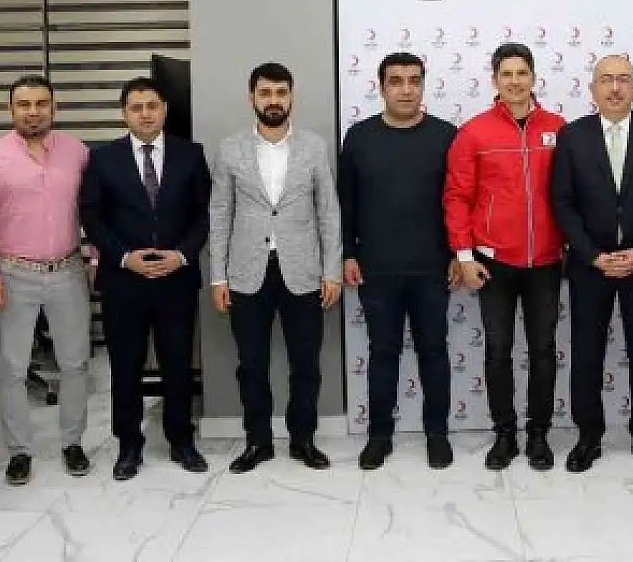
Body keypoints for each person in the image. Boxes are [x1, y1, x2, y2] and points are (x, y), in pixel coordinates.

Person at [550, 54, 633, 473]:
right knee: (586, 354)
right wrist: (593, 255)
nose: (614, 87)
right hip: (590, 267)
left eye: (623, 79)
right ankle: (588, 437)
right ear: (592, 89)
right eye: (606, 79)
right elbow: (562, 203)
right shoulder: (571, 136)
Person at [208, 62, 342, 474]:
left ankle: (303, 440)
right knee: (251, 365)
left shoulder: (314, 147)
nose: (273, 100)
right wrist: (218, 276)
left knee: (306, 364)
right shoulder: (230, 149)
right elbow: (220, 214)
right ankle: (258, 442)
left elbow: (328, 212)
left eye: (281, 92)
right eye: (265, 93)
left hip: (303, 271)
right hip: (246, 272)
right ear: (251, 97)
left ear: (291, 96)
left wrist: (331, 271)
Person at [79, 77, 212, 480]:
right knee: (126, 367)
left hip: (176, 280)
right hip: (124, 282)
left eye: (152, 105)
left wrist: (182, 255)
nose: (145, 114)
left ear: (165, 109)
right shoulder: (103, 158)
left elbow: (204, 213)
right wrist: (123, 258)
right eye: (136, 107)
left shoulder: (191, 154)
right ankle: (129, 445)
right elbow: (91, 216)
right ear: (124, 113)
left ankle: (181, 440)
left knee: (177, 365)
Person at [443, 42, 566, 470]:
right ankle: (505, 434)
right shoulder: (474, 132)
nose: (515, 81)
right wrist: (464, 255)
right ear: (495, 80)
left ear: (534, 77)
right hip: (492, 263)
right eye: (506, 74)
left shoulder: (559, 128)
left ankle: (539, 435)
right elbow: (457, 197)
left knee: (543, 350)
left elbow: (573, 194)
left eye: (522, 73)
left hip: (546, 262)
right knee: (498, 350)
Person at [0, 75, 93, 485]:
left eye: (41, 103)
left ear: (54, 108)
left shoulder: (77, 152)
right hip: (12, 273)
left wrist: (96, 257)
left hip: (68, 271)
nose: (33, 111)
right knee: (12, 367)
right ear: (10, 109)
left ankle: (72, 442)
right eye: (24, 104)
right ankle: (19, 451)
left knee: (75, 362)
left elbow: (92, 210)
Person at [340, 52, 460, 470]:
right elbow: (346, 203)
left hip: (432, 267)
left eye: (414, 80)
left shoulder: (447, 135)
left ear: (423, 85)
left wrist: (458, 254)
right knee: (382, 353)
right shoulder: (359, 138)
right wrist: (348, 253)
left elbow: (458, 201)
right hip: (377, 268)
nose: (406, 89)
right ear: (381, 87)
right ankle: (379, 437)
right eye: (396, 81)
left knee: (434, 351)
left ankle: (437, 434)